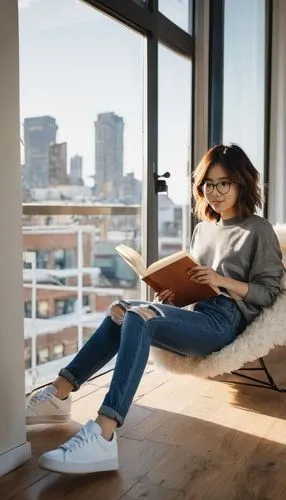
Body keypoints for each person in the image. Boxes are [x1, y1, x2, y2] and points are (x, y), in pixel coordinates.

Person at [26, 144, 284, 474]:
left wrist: (222, 280)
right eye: (208, 183)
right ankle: (58, 396)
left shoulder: (257, 229)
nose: (215, 192)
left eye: (224, 183)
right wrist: (172, 294)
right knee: (122, 309)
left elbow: (269, 293)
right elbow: (195, 285)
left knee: (138, 315)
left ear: (242, 183)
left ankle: (103, 435)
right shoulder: (202, 229)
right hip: (198, 313)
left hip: (225, 321)